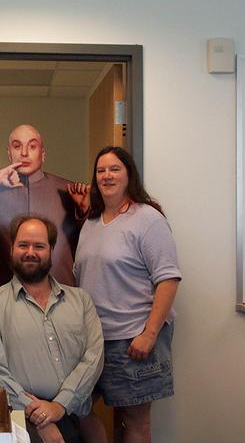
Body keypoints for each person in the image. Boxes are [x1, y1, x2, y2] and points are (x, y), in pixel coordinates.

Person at [74, 147, 182, 443]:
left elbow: (168, 279)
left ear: (129, 174)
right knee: (75, 407)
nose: (107, 176)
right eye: (101, 170)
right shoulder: (91, 223)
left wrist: (149, 334)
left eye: (114, 169)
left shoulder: (148, 219)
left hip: (133, 339)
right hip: (94, 340)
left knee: (134, 421)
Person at [0, 215, 103, 443]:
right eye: (23, 245)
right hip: (19, 418)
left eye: (39, 246)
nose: (30, 252)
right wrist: (38, 415)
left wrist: (60, 405)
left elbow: (94, 357)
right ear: (11, 249)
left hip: (77, 415)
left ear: (51, 250)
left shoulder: (81, 301)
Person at [0, 124, 89, 290]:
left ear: (43, 154)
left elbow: (91, 242)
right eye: (17, 146)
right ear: (9, 153)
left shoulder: (67, 191)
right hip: (4, 295)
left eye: (32, 146)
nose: (24, 153)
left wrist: (84, 212)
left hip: (59, 292)